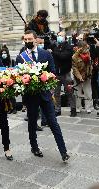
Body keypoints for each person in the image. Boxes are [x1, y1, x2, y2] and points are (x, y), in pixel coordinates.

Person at [16, 30, 70, 162]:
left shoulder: (46, 54)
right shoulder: (21, 57)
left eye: (30, 39)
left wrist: (48, 81)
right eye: (26, 39)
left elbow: (52, 72)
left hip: (45, 95)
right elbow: (18, 76)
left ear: (36, 39)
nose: (28, 41)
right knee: (32, 123)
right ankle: (34, 147)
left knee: (53, 123)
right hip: (31, 96)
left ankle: (63, 151)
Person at [51, 31, 76, 117]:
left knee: (70, 92)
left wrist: (54, 51)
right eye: (58, 36)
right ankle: (57, 109)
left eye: (61, 36)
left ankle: (73, 109)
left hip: (66, 73)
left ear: (65, 37)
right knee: (56, 93)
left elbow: (64, 56)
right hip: (57, 73)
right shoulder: (56, 46)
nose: (59, 37)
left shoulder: (69, 47)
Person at [72, 41, 93, 113]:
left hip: (87, 75)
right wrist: (79, 77)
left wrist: (87, 74)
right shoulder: (75, 56)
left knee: (88, 92)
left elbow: (89, 65)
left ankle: (88, 107)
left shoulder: (88, 54)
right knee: (77, 92)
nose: (85, 49)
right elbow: (74, 68)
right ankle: (78, 107)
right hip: (78, 76)